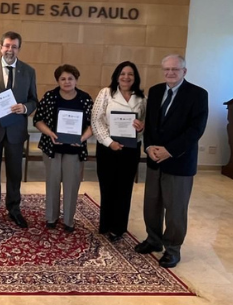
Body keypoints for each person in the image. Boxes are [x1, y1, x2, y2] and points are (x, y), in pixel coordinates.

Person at [135, 54, 208, 268]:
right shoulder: (156, 91)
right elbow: (149, 124)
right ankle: (153, 240)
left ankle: (172, 249)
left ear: (184, 71)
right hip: (154, 159)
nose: (170, 73)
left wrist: (169, 150)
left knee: (175, 209)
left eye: (175, 69)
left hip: (179, 162)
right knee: (152, 205)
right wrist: (148, 148)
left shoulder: (198, 94)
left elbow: (196, 129)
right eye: (166, 69)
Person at [0, 31, 38, 229]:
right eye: (7, 46)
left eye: (14, 46)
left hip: (15, 130)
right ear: (0, 47)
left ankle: (14, 209)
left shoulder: (28, 71)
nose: (10, 50)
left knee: (14, 172)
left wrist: (25, 108)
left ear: (19, 49)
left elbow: (33, 100)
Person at [33, 64, 93, 233]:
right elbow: (38, 120)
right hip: (52, 147)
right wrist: (50, 133)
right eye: (63, 79)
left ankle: (68, 220)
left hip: (75, 149)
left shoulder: (85, 98)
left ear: (76, 79)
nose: (67, 82)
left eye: (70, 78)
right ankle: (51, 218)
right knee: (52, 183)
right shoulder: (50, 96)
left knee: (71, 184)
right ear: (58, 81)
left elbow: (93, 124)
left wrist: (81, 138)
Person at [91, 61, 146, 242]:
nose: (126, 77)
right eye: (122, 73)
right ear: (116, 76)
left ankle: (119, 227)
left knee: (124, 189)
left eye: (130, 74)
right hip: (108, 148)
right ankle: (105, 223)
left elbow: (146, 124)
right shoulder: (106, 93)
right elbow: (96, 120)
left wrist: (141, 128)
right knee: (107, 187)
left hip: (130, 149)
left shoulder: (141, 98)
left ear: (135, 77)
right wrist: (109, 142)